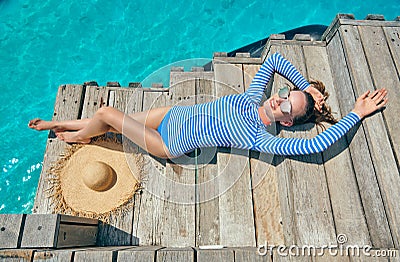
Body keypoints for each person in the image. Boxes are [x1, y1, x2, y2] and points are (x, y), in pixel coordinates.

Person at [28, 53, 387, 159]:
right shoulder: (254, 96)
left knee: (107, 114)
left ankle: (78, 138)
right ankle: (58, 124)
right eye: (286, 93)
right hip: (171, 115)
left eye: (287, 108)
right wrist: (306, 85)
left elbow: (316, 144)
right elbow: (274, 58)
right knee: (108, 120)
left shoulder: (264, 139)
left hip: (169, 144)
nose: (280, 100)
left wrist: (356, 113)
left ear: (288, 123)